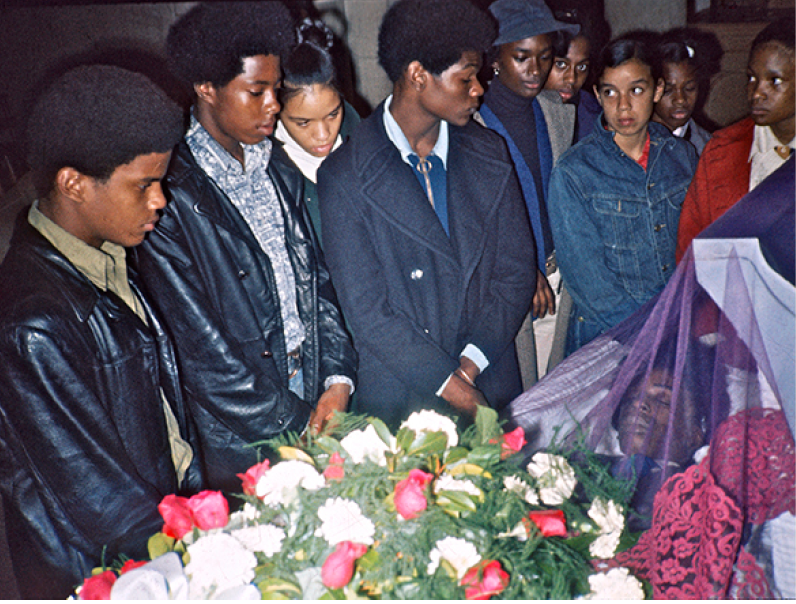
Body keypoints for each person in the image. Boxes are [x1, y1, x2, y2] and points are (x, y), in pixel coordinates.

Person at [134, 2, 356, 493]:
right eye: (256, 92)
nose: (274, 105)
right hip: (238, 431)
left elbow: (317, 284)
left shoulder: (277, 167)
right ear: (206, 88)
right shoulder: (169, 194)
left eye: (275, 89)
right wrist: (295, 422)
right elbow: (202, 353)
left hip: (313, 387)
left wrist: (338, 378)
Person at [0, 64, 200, 598]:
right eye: (144, 185)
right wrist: (196, 557)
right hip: (108, 574)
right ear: (74, 184)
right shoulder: (31, 325)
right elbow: (99, 500)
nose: (160, 200)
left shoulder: (106, 258)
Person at [317, 0, 536, 429]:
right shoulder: (344, 175)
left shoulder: (489, 152)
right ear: (418, 75)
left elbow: (515, 273)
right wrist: (451, 387)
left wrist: (470, 369)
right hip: (400, 398)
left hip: (489, 377)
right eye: (467, 77)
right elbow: (367, 312)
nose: (479, 90)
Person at [547, 36, 698, 355]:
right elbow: (589, 280)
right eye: (610, 92)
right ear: (597, 96)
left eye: (637, 90)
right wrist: (649, 340)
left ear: (657, 90)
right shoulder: (575, 172)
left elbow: (697, 249)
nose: (623, 106)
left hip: (676, 330)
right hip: (608, 341)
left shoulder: (682, 158)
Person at [478, 0, 579, 388]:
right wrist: (521, 267)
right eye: (521, 57)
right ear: (496, 59)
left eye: (545, 56)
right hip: (503, 287)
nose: (535, 70)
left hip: (558, 278)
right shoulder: (472, 120)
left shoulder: (555, 111)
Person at [676, 19, 796, 262]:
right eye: (752, 78)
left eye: (774, 81)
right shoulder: (721, 152)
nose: (757, 93)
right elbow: (690, 252)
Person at [274, 18, 361, 250]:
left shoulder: (363, 137)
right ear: (276, 110)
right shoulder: (266, 166)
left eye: (333, 114)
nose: (323, 135)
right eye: (303, 123)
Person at [544, 7, 608, 143]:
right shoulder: (520, 109)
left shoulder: (596, 118)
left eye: (581, 67)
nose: (572, 78)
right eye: (561, 64)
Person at [652, 29, 715, 155]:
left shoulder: (708, 149)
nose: (680, 99)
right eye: (668, 90)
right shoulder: (631, 141)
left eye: (689, 88)